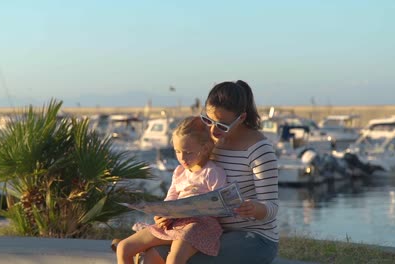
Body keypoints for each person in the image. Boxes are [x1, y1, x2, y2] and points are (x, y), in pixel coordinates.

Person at [150, 80, 279, 264]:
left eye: (222, 125)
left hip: (254, 237)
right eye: (208, 120)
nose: (213, 129)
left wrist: (255, 208)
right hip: (208, 228)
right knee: (153, 251)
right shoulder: (209, 141)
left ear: (241, 118)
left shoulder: (259, 150)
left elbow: (272, 208)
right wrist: (168, 212)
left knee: (183, 259)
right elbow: (190, 179)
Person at [116, 116, 228, 264]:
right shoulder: (179, 171)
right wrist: (162, 214)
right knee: (123, 247)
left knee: (174, 259)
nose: (182, 157)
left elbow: (220, 206)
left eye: (188, 152)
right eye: (177, 151)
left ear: (205, 148)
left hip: (199, 226)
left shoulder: (212, 172)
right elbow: (171, 198)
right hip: (175, 221)